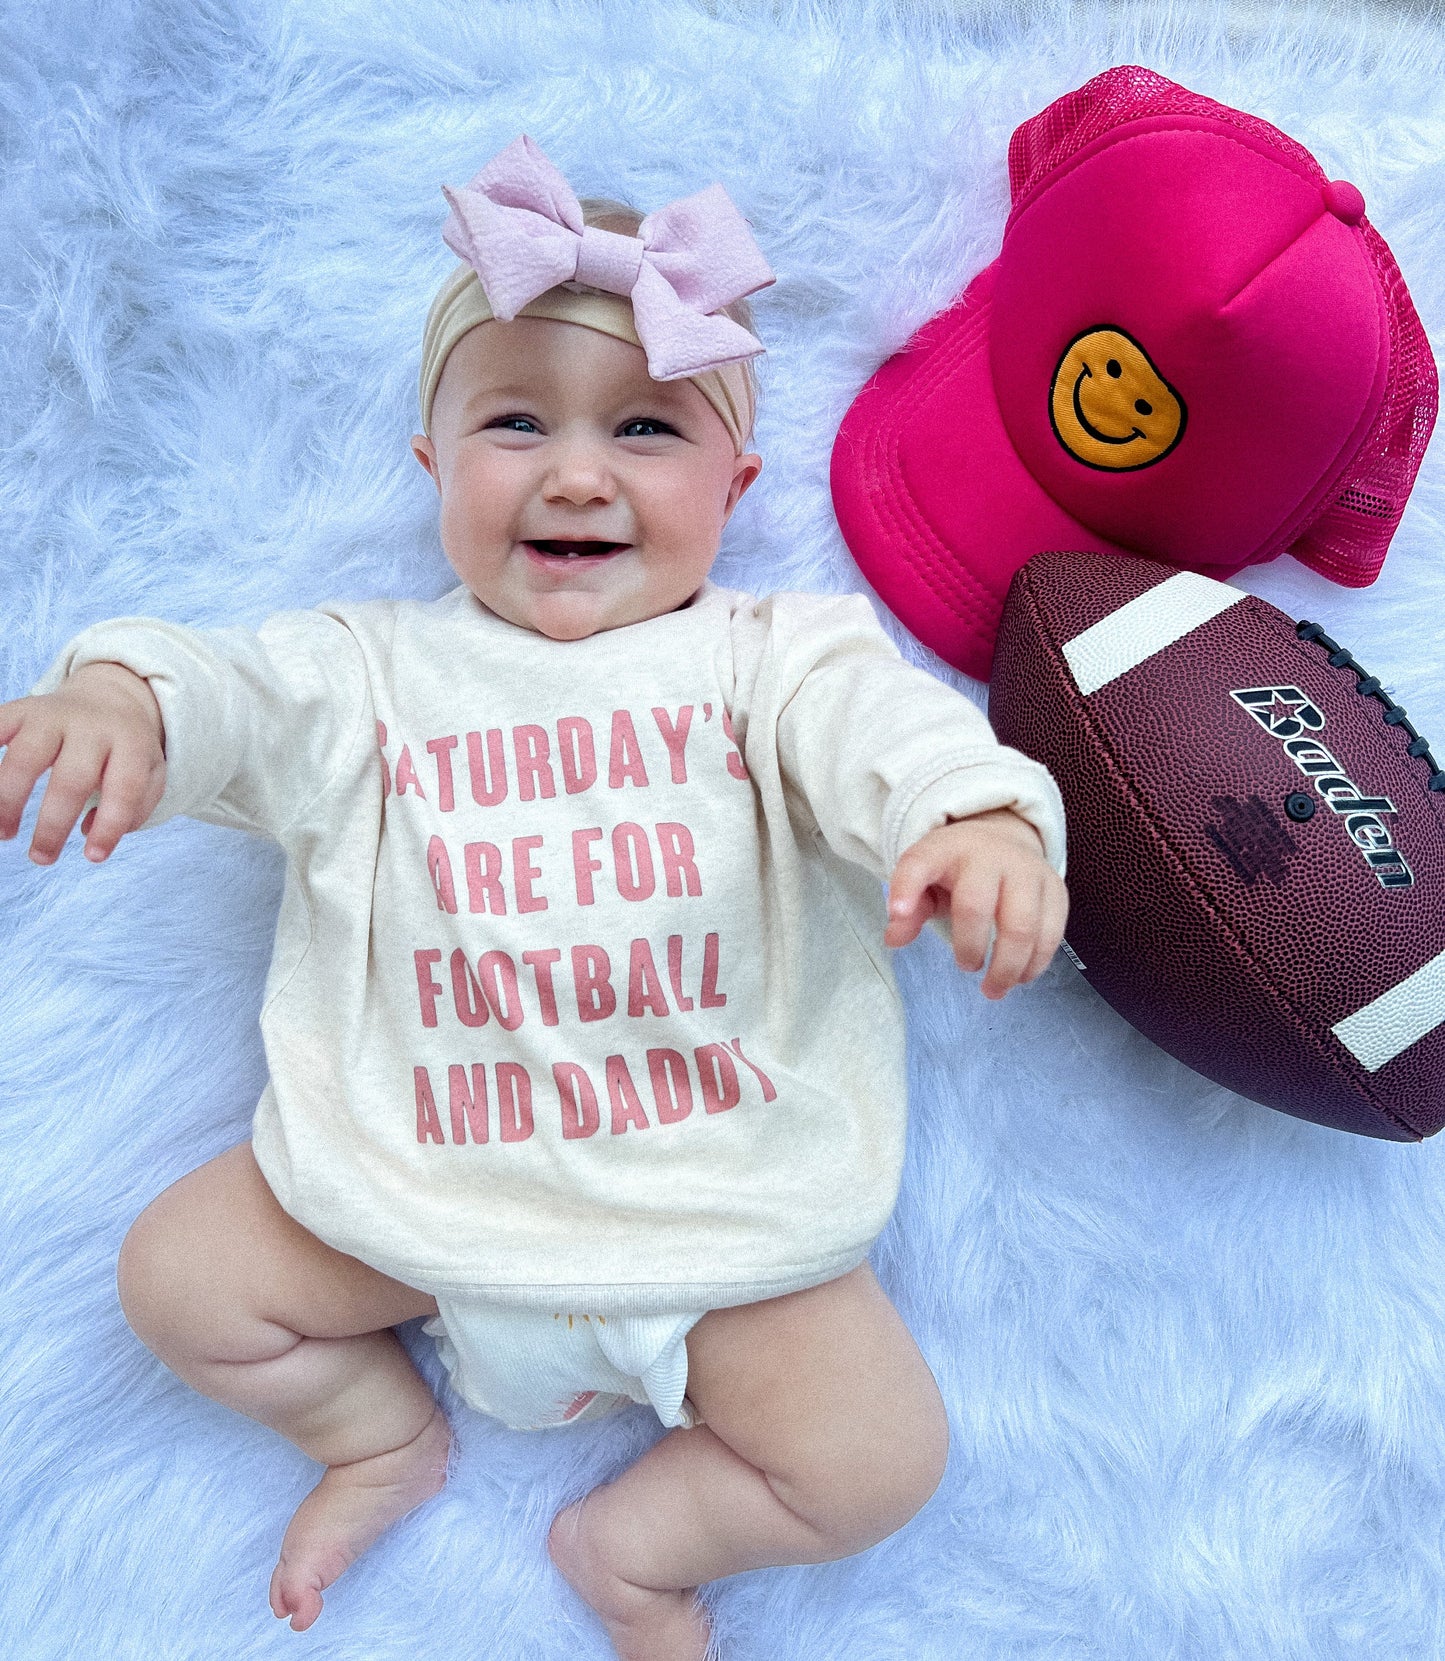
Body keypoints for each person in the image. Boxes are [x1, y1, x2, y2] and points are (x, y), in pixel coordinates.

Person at [0, 137, 1068, 1661]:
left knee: (876, 1457)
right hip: (409, 1204)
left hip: (720, 1225)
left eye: (644, 428)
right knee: (176, 1279)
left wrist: (970, 818)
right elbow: (226, 690)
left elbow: (886, 739)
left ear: (735, 483)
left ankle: (627, 1548)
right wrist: (125, 696)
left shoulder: (774, 655)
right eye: (515, 422)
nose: (575, 471)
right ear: (434, 464)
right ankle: (376, 1435)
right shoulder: (364, 667)